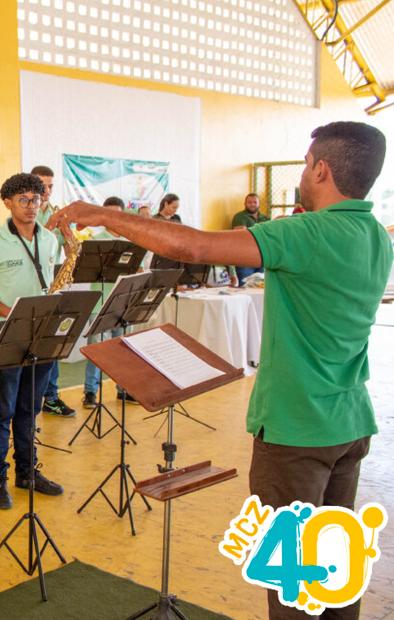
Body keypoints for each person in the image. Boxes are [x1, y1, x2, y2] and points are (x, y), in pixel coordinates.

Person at [57, 121, 391, 620]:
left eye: (304, 164)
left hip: (296, 430)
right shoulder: (375, 234)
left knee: (294, 585)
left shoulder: (307, 231)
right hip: (348, 421)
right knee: (337, 569)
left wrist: (102, 215)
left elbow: (194, 247)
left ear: (321, 169)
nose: (301, 172)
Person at [0, 173, 65, 509]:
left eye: (35, 200)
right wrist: (15, 315)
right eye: (22, 200)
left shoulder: (51, 240)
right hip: (8, 335)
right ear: (7, 203)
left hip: (41, 335)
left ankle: (27, 471)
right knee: (3, 409)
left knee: (31, 408)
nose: (30, 207)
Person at [30, 165, 75, 418]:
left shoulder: (58, 214)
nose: (47, 191)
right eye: (42, 185)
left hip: (52, 286)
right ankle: (33, 397)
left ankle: (51, 396)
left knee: (54, 344)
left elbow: (69, 253)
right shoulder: (28, 213)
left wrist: (69, 237)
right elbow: (33, 244)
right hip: (29, 289)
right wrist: (50, 225)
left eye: (50, 186)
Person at [81, 197, 132, 406]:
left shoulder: (131, 241)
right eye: (107, 213)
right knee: (97, 350)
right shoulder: (95, 240)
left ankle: (123, 389)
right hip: (100, 303)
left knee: (124, 350)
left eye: (116, 214)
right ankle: (90, 391)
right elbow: (88, 271)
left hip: (124, 301)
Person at [230, 193, 269, 284]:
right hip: (245, 258)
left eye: (255, 202)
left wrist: (252, 232)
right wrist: (261, 234)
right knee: (246, 286)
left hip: (263, 256)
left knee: (261, 287)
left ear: (259, 204)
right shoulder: (239, 217)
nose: (252, 204)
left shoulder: (265, 218)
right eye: (249, 202)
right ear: (245, 204)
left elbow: (270, 235)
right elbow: (243, 236)